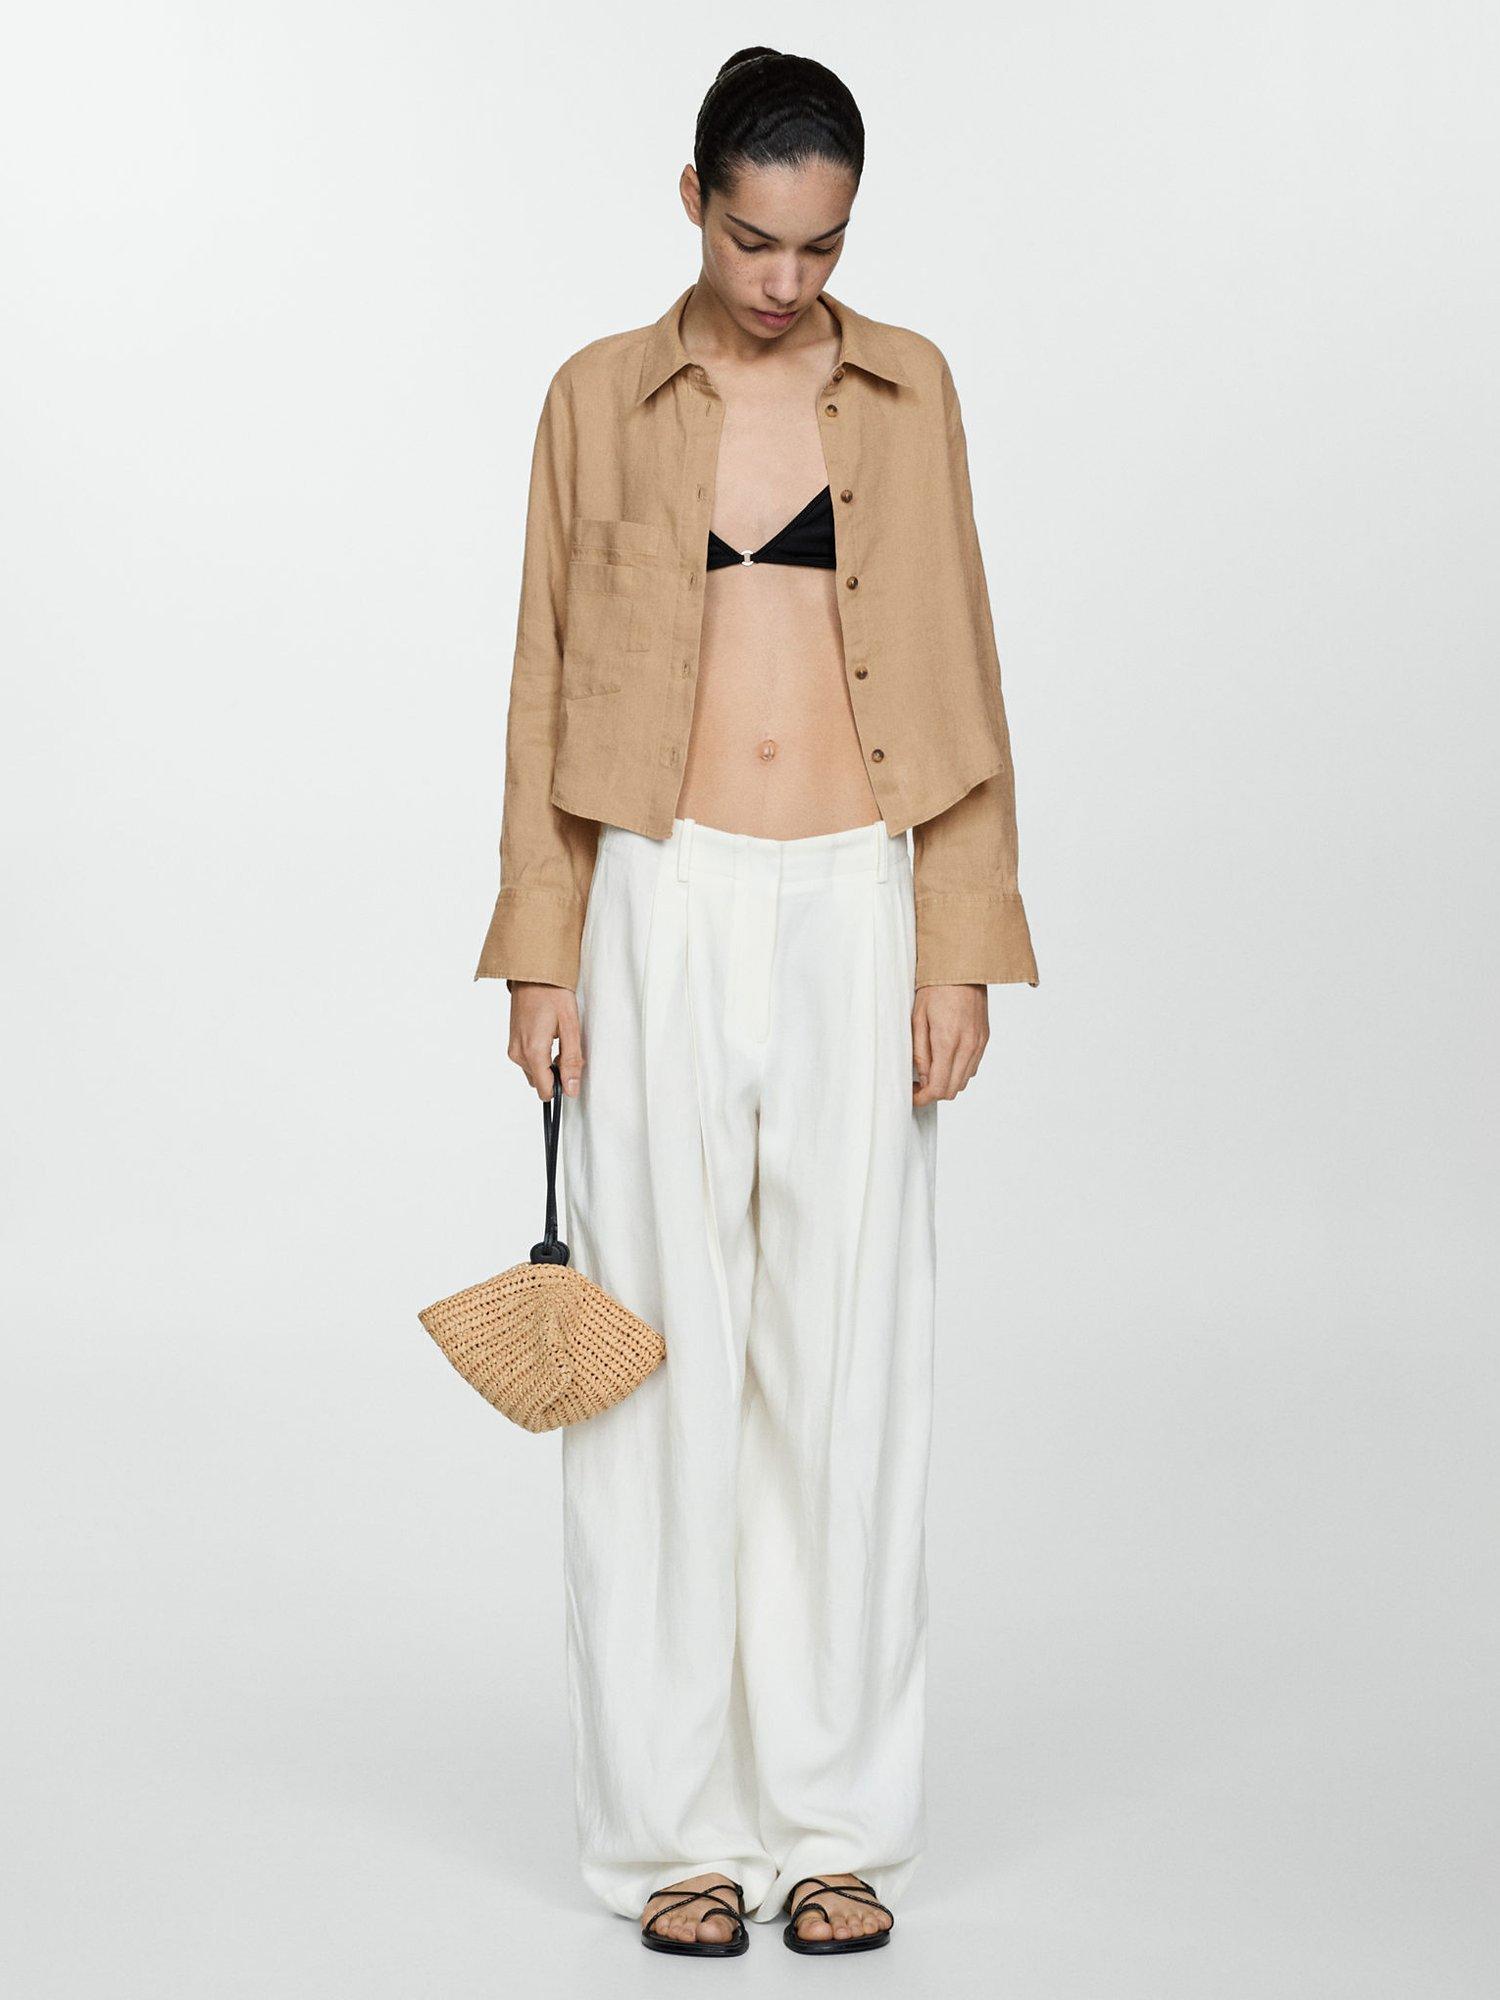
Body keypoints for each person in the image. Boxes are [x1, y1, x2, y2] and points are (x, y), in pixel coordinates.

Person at [474, 46, 1038, 1958]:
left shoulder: (914, 391)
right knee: (653, 1370)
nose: (787, 281)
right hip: (660, 896)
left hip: (859, 903)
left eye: (824, 246)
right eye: (753, 238)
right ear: (692, 199)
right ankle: (672, 1837)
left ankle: (835, 1824)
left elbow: (963, 658)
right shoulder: (594, 398)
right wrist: (541, 945)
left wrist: (959, 935)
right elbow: (544, 673)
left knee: (849, 1367)